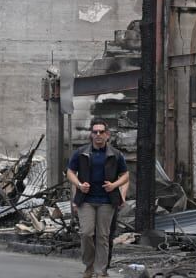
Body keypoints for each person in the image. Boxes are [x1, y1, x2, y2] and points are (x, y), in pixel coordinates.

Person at [67, 118, 130, 278]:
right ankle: (89, 266)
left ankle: (100, 271)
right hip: (86, 200)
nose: (98, 135)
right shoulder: (81, 153)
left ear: (107, 135)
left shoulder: (115, 154)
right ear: (91, 135)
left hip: (107, 201)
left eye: (101, 132)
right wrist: (80, 185)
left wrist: (114, 185)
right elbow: (70, 172)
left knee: (103, 236)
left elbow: (126, 175)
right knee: (87, 233)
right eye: (95, 132)